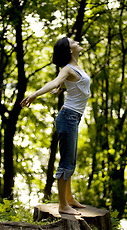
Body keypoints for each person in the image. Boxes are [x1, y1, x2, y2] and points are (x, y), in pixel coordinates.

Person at [20, 37, 91, 215]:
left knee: (71, 161)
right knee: (67, 162)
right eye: (72, 42)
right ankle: (62, 205)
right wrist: (36, 94)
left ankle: (69, 198)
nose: (77, 42)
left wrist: (62, 89)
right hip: (68, 117)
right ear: (69, 50)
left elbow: (74, 86)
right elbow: (55, 81)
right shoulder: (67, 69)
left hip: (73, 117)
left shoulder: (76, 68)